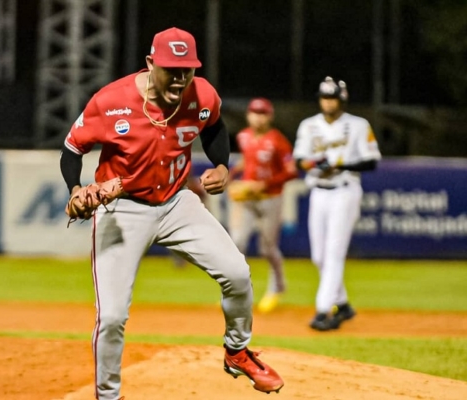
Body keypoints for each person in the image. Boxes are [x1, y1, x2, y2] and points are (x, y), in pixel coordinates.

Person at [60, 27, 284, 399]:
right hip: (122, 209)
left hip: (177, 202)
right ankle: (107, 395)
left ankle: (237, 351)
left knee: (237, 273)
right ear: (151, 64)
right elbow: (72, 149)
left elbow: (214, 127)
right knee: (112, 316)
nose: (180, 78)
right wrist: (75, 188)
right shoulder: (110, 100)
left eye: (187, 69)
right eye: (171, 69)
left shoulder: (202, 94)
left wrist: (223, 165)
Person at [292, 76, 381, 331]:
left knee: (333, 252)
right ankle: (342, 305)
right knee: (318, 256)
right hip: (319, 191)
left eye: (333, 98)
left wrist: (339, 165)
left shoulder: (358, 125)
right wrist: (314, 163)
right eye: (324, 97)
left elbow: (371, 161)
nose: (328, 103)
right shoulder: (309, 126)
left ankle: (323, 311)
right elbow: (299, 160)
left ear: (342, 100)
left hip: (345, 190)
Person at [227, 98, 298, 313]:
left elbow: (292, 170)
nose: (258, 117)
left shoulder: (278, 141)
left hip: (270, 198)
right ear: (248, 115)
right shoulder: (243, 136)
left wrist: (264, 184)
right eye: (255, 113)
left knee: (267, 248)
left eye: (263, 113)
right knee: (237, 242)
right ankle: (237, 292)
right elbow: (249, 160)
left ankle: (277, 286)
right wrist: (232, 175)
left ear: (270, 116)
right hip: (249, 197)